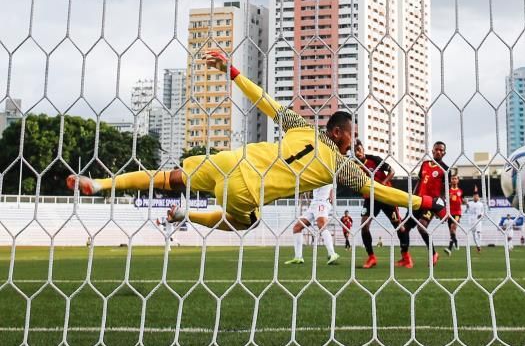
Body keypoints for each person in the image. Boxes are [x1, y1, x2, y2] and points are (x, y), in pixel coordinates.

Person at [66, 50, 444, 230]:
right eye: (351, 135)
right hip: (246, 190)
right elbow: (381, 192)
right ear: (337, 133)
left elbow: (264, 100)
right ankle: (186, 215)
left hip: (231, 160)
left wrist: (231, 70)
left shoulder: (300, 126)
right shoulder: (340, 166)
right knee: (245, 223)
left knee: (168, 178)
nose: (353, 142)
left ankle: (99, 184)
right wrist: (425, 201)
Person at [397, 142, 449, 268]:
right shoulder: (425, 164)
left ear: (444, 153)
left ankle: (433, 253)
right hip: (418, 201)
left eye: (441, 150)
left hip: (431, 204)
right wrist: (412, 198)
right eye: (436, 149)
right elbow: (419, 182)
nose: (438, 152)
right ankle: (405, 258)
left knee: (422, 226)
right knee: (402, 228)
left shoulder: (446, 169)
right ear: (432, 151)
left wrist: (441, 207)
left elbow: (445, 191)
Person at [354, 140, 403, 269]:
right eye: (355, 151)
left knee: (399, 226)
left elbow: (392, 171)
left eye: (359, 150)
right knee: (364, 226)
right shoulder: (353, 165)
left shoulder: (374, 159)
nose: (357, 153)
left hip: (385, 195)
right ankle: (371, 257)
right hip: (370, 198)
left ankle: (406, 256)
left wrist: (382, 184)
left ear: (363, 150)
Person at [285, 185, 339, 265]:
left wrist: (331, 199)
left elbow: (332, 188)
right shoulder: (315, 178)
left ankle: (332, 253)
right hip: (313, 204)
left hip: (322, 203)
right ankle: (298, 257)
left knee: (321, 225)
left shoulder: (329, 178)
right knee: (297, 228)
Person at [444, 172, 464, 255]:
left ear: (458, 180)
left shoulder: (460, 191)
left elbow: (461, 201)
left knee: (453, 228)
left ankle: (449, 249)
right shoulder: (448, 191)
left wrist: (463, 202)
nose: (454, 180)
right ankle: (455, 241)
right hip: (449, 213)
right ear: (450, 180)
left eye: (455, 178)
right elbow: (445, 202)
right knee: (452, 232)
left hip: (457, 213)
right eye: (452, 179)